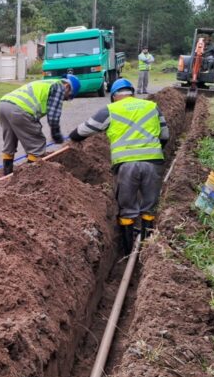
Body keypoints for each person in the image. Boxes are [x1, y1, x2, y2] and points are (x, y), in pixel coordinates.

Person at [67, 78, 169, 253]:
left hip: (126, 165)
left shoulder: (110, 110)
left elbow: (84, 130)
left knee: (127, 208)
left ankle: (128, 252)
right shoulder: (152, 107)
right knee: (149, 206)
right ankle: (148, 250)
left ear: (114, 96)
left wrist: (73, 136)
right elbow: (165, 135)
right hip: (153, 162)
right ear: (132, 93)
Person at [0, 75, 81, 175]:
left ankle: (7, 174)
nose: (65, 99)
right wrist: (56, 134)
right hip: (20, 109)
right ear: (67, 86)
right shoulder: (59, 87)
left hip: (3, 105)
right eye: (68, 96)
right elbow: (54, 114)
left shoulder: (48, 83)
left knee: (9, 141)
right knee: (37, 144)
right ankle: (30, 178)